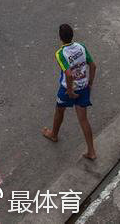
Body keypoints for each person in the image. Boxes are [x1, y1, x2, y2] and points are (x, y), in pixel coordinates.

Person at [42, 24, 97, 161]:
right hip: (83, 87)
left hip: (68, 90)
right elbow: (93, 65)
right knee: (83, 120)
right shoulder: (81, 47)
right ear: (73, 35)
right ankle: (91, 151)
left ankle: (53, 134)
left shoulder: (60, 53)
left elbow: (69, 74)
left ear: (60, 38)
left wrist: (70, 90)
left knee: (59, 111)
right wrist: (89, 83)